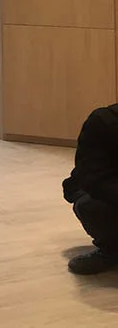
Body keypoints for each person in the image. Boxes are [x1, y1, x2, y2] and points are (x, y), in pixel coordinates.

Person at [63, 104, 118, 274]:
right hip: (109, 192)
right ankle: (111, 250)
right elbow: (92, 177)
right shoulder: (104, 121)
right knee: (90, 204)